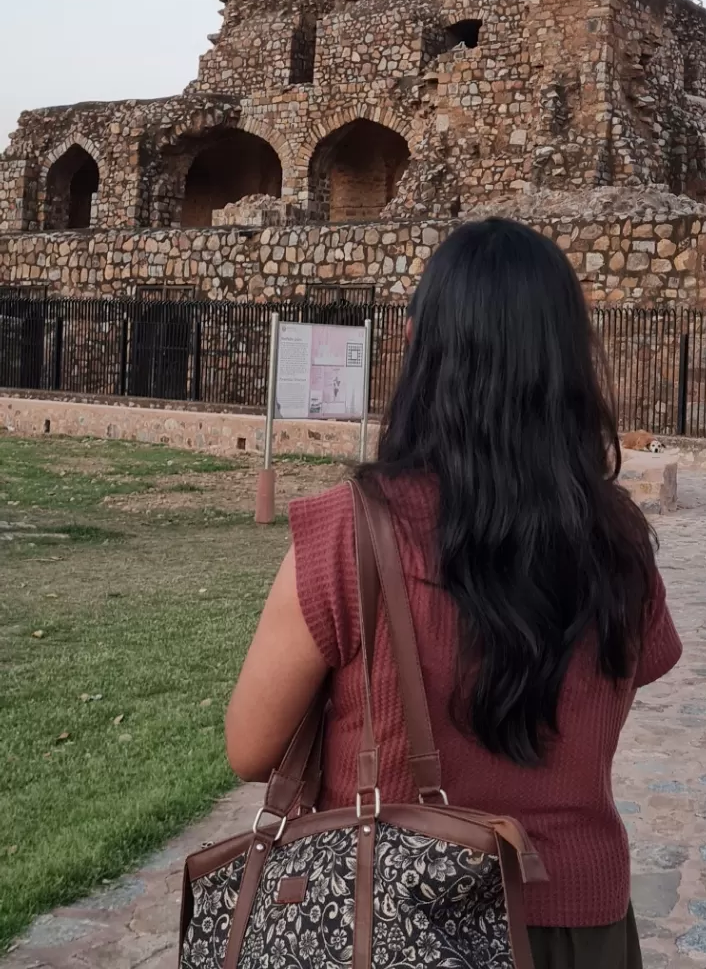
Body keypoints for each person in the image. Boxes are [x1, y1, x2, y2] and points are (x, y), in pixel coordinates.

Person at [226, 218, 682, 968]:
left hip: (389, 918)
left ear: (416, 347)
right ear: (569, 358)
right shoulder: (618, 540)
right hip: (578, 924)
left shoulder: (353, 532)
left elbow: (248, 748)